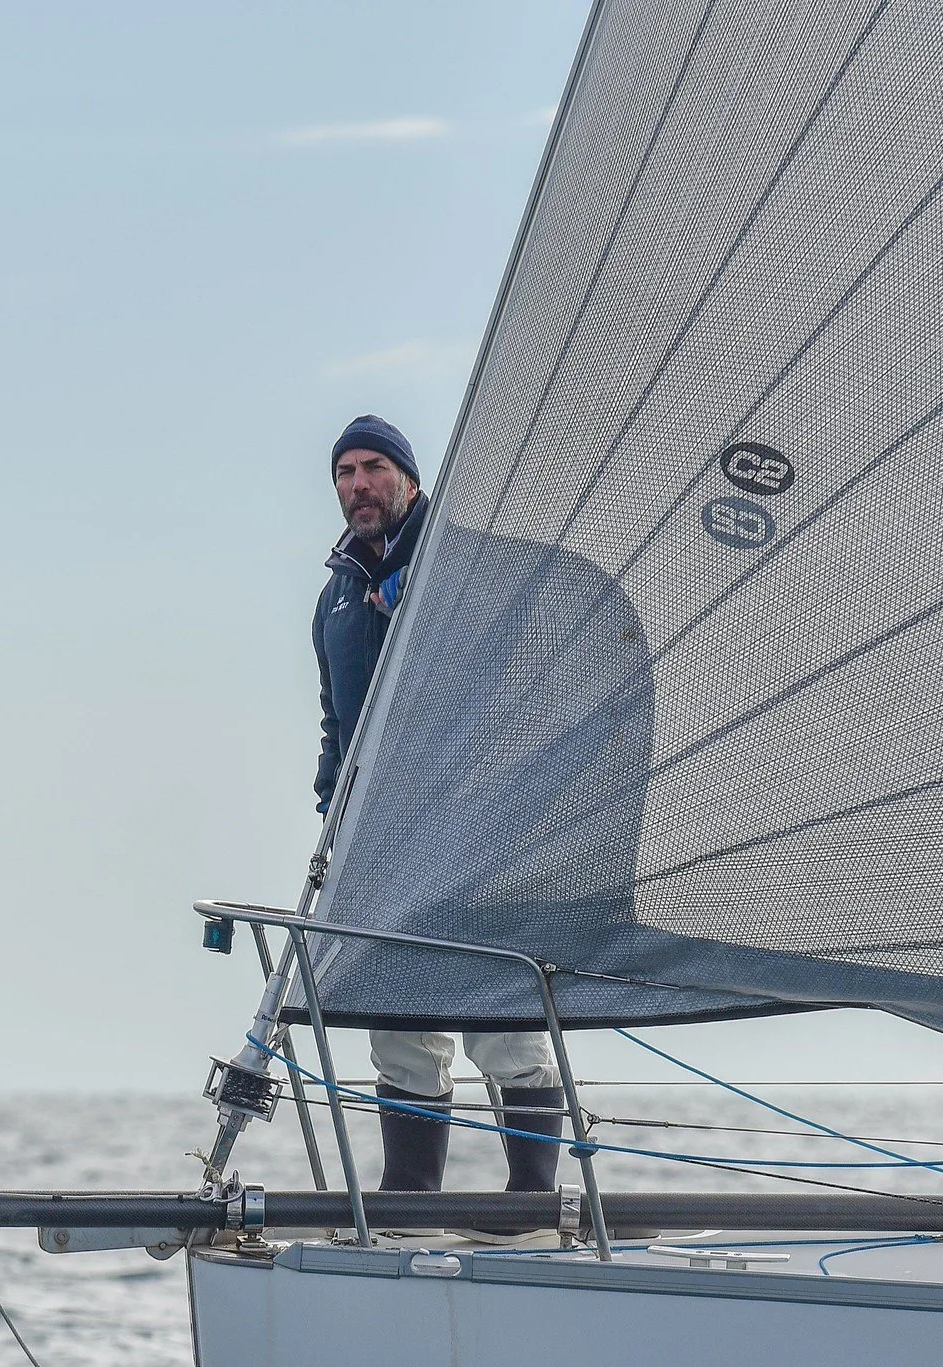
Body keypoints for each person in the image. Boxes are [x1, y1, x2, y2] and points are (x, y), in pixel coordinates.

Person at [311, 414, 568, 1215]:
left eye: (374, 468)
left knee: (501, 1022)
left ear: (409, 478)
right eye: (345, 472)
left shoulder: (461, 569)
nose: (358, 484)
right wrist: (332, 816)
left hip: (475, 836)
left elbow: (520, 677)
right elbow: (336, 721)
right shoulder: (336, 596)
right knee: (399, 1029)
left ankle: (531, 1201)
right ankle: (408, 1200)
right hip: (377, 846)